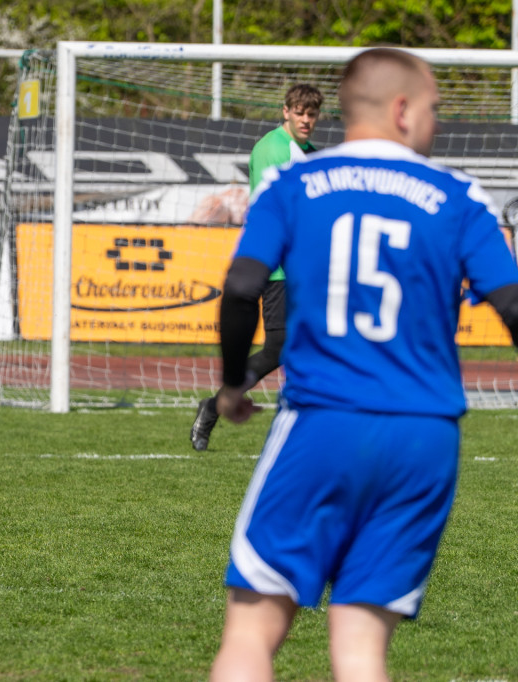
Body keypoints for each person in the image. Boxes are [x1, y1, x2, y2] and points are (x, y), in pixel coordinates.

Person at [208, 48, 518, 681]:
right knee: (361, 649)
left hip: (325, 422)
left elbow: (241, 288)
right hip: (425, 436)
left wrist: (234, 384)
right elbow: (513, 304)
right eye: (433, 108)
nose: (436, 122)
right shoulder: (458, 194)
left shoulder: (293, 186)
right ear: (402, 110)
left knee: (250, 635)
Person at [191, 83, 324, 452]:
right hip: (281, 267)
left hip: (308, 267)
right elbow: (273, 209)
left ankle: (313, 428)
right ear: (285, 112)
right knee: (278, 347)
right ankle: (215, 406)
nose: (306, 120)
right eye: (299, 112)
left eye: (311, 114)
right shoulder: (271, 149)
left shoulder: (310, 153)